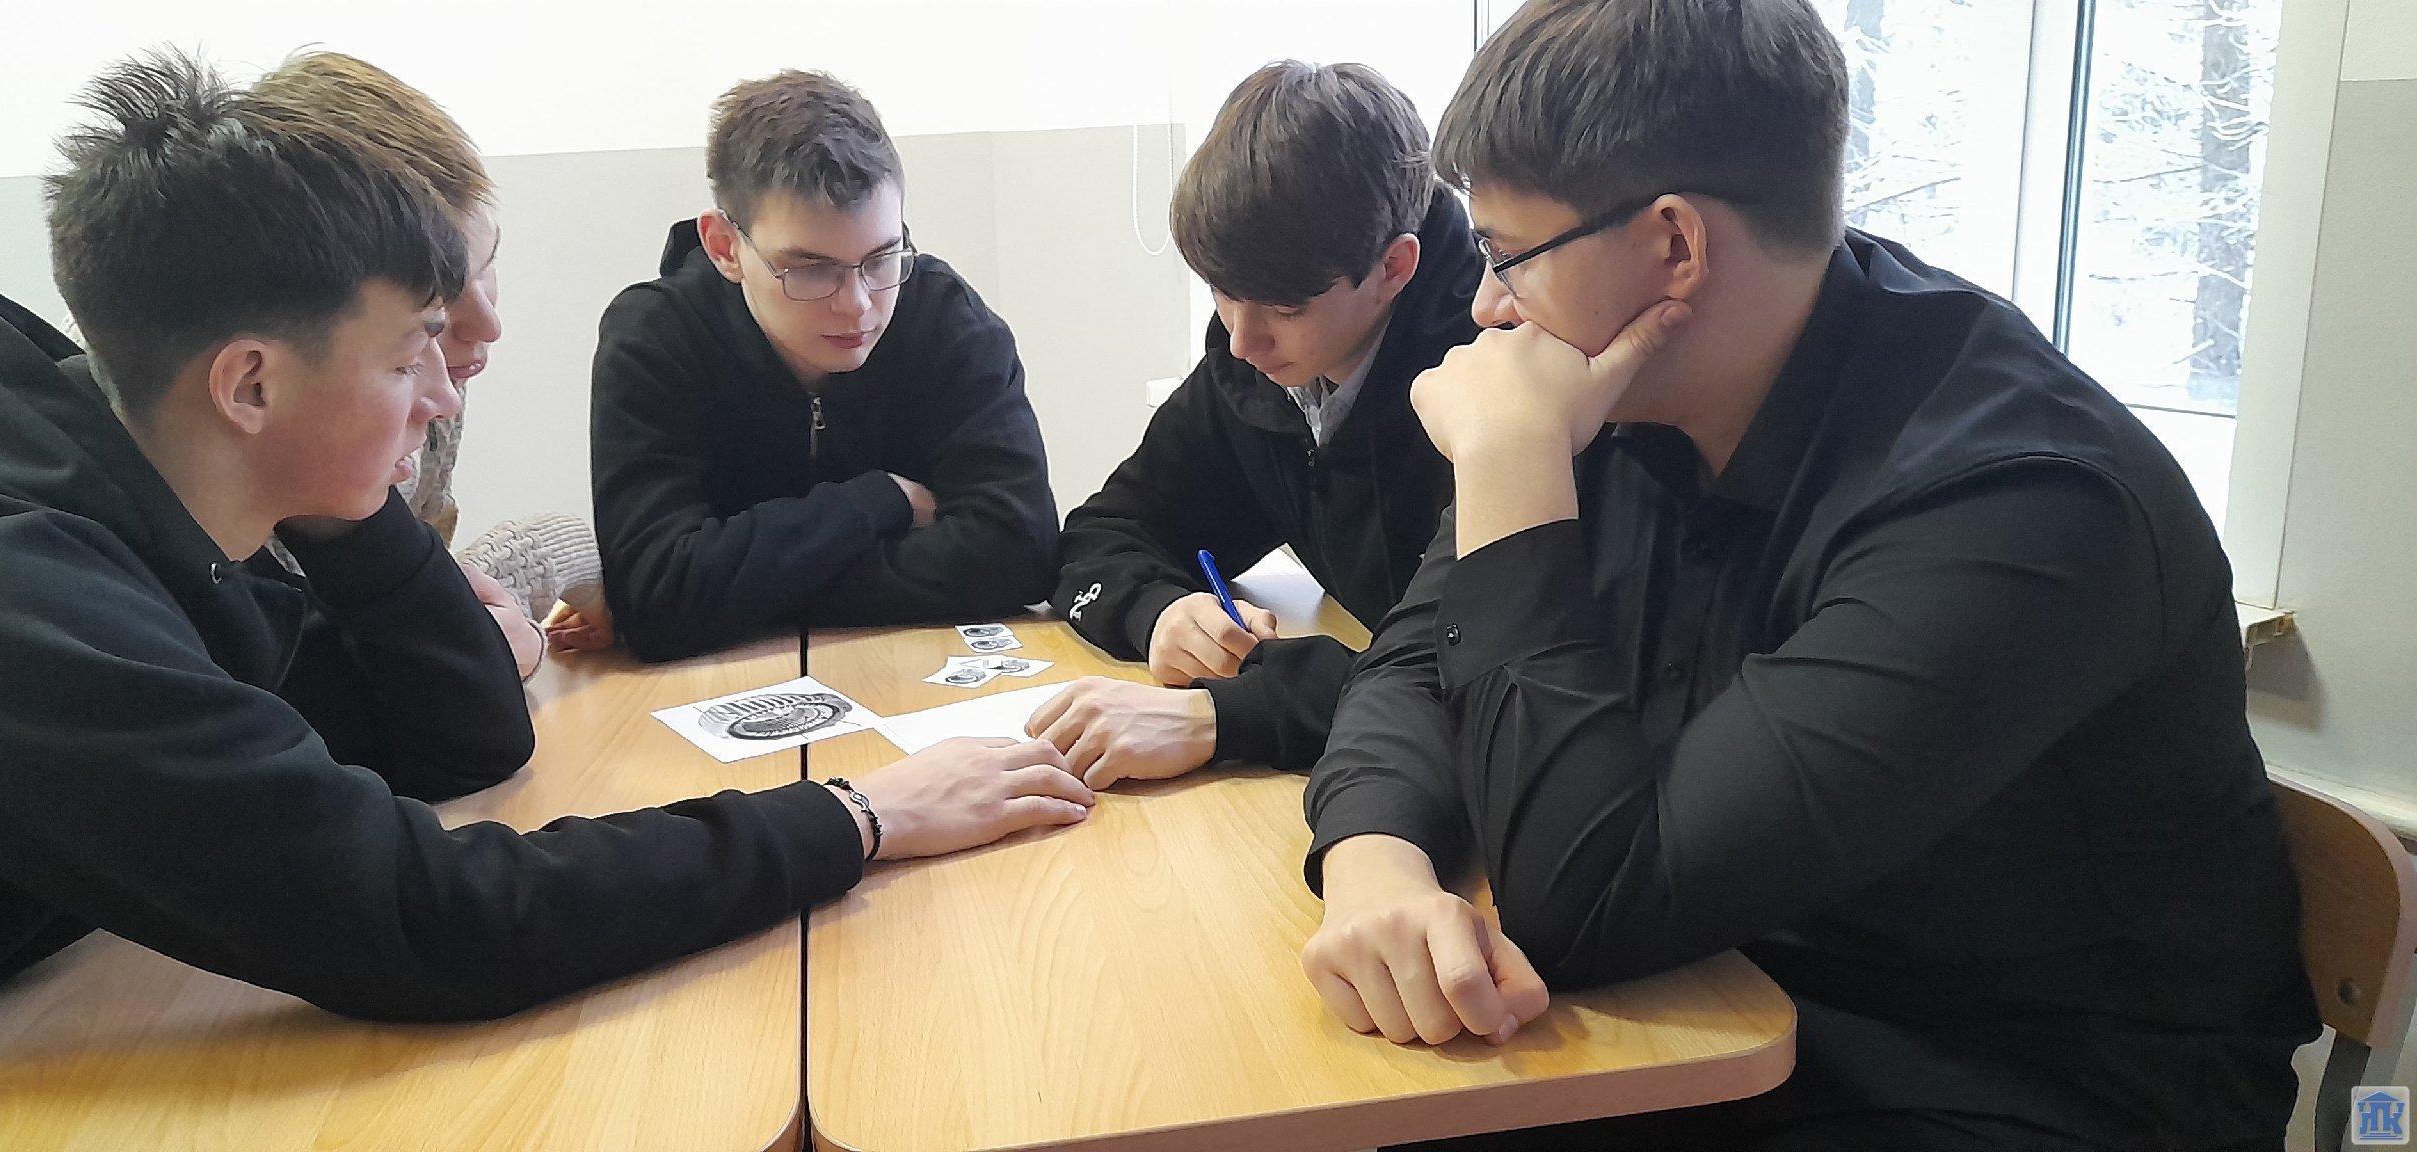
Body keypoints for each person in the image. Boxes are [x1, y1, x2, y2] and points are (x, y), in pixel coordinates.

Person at [0, 49, 1092, 1060]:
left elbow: (460, 741)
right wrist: (857, 813)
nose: (450, 390)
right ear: (249, 385)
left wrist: (333, 487)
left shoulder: (178, 511)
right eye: (412, 354)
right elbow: (427, 919)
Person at [1293, 2, 2318, 1148]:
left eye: (1504, 255)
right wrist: (1376, 868)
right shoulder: (1624, 393)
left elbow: (1587, 904)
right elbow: (1417, 665)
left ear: (1674, 246)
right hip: (1732, 995)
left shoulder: (2020, 504)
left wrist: (1509, 465)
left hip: (2020, 1086)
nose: (1487, 309)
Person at [1028, 62, 1477, 789]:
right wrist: (1161, 613)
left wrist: (1227, 716)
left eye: (1285, 309)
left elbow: (1480, 678)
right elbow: (1102, 534)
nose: (1241, 340)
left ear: (1395, 268)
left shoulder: (1486, 381)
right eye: (1221, 292)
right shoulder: (1260, 368)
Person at [589, 70, 1057, 664]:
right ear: (725, 247)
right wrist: (880, 500)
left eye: (883, 258)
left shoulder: (947, 318)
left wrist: (746, 585)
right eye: (811, 269)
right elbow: (657, 597)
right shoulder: (653, 337)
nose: (857, 304)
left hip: (906, 672)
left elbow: (1021, 553)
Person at [247, 50, 553, 681]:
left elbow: (414, 598)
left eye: (487, 266)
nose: (487, 326)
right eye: (438, 302)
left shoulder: (426, 375)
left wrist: (487, 639)